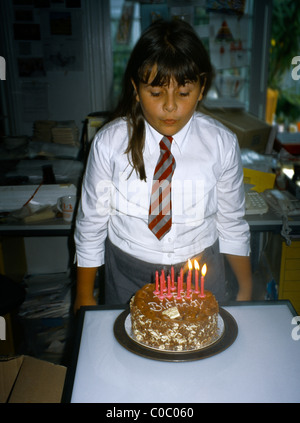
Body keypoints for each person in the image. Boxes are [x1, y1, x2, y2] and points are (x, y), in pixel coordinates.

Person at [73, 19, 252, 312]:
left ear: (202, 87)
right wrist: (84, 295)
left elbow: (232, 222)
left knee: (202, 349)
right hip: (128, 274)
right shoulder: (108, 144)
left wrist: (245, 287)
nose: (170, 107)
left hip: (201, 271)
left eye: (184, 93)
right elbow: (91, 224)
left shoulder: (221, 144)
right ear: (135, 87)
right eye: (155, 93)